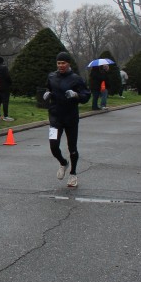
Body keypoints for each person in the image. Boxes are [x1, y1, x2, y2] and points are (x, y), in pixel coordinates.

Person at [43, 52, 90, 188]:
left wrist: (76, 95)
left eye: (63, 63)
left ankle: (73, 174)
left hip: (70, 118)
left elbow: (86, 95)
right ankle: (63, 163)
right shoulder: (51, 76)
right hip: (55, 117)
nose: (61, 65)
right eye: (59, 63)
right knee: (53, 146)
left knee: (72, 147)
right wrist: (47, 93)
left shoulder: (76, 79)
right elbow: (48, 88)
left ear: (68, 63)